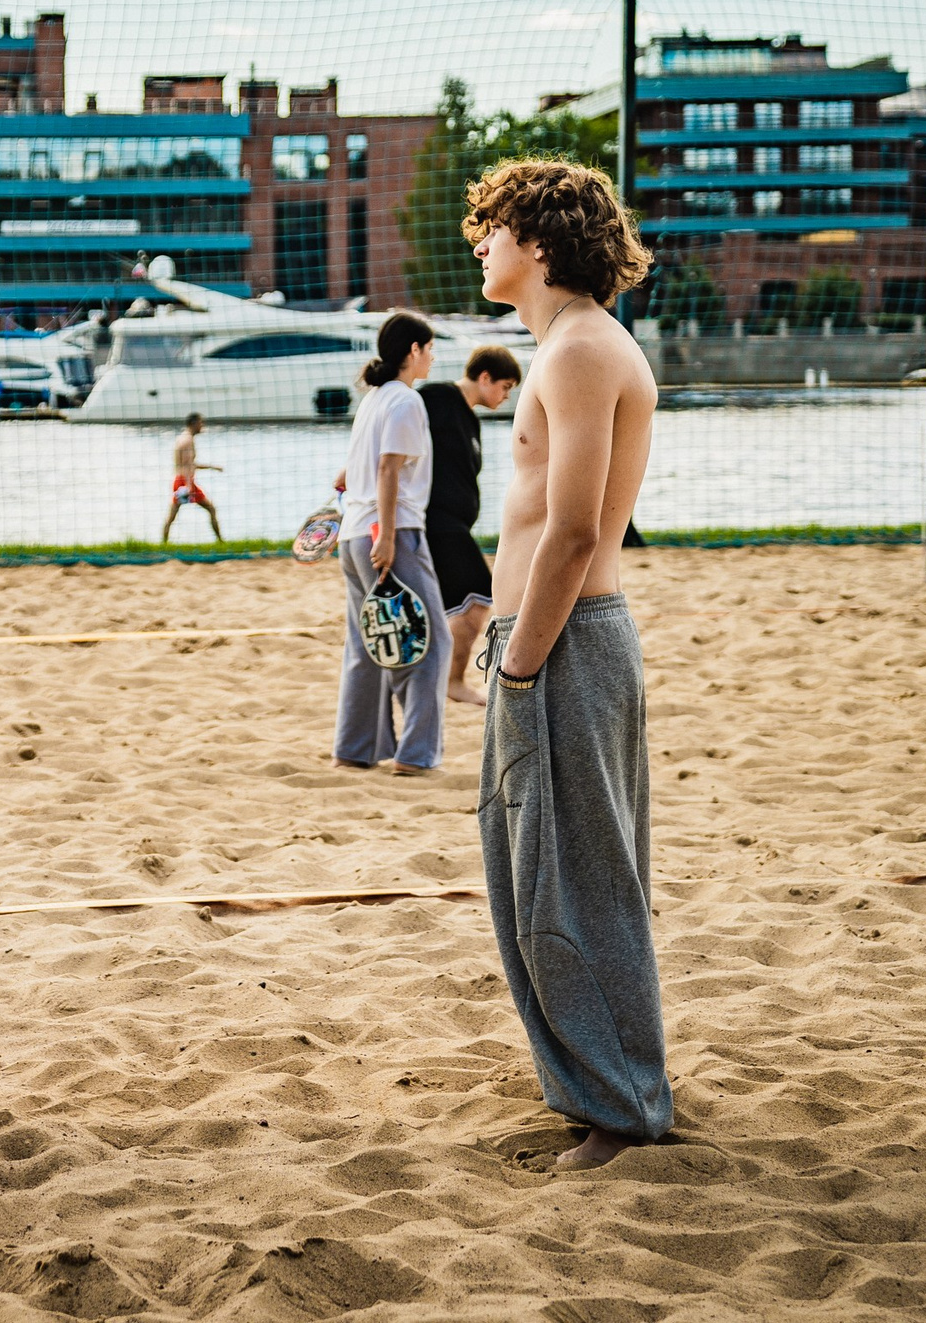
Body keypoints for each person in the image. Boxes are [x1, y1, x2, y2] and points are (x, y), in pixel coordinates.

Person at [462, 156, 667, 1172]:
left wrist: (518, 665)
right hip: (560, 639)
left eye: (494, 227)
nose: (479, 242)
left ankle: (620, 1113)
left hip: (563, 642)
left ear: (540, 242)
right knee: (555, 874)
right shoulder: (572, 346)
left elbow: (576, 530)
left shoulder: (582, 349)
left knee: (567, 885)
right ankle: (608, 1090)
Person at [331, 312, 452, 776]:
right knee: (430, 641)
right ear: (413, 351)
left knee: (366, 644)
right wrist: (386, 536)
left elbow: (349, 473)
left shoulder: (374, 399)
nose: (433, 356)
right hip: (390, 533)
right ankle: (416, 757)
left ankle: (354, 748)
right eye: (429, 347)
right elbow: (387, 468)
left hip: (353, 535)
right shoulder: (405, 399)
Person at [422, 345, 522, 705]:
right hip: (436, 523)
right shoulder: (438, 397)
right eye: (505, 386)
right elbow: (391, 431)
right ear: (485, 377)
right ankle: (452, 681)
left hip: (453, 526)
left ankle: (440, 679)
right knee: (477, 599)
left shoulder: (469, 417)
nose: (507, 396)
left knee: (452, 606)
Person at [162, 412, 223, 542]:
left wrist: (212, 467)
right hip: (185, 481)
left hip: (181, 480)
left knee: (172, 515)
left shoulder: (182, 438)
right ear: (194, 423)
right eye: (201, 423)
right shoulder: (188, 441)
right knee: (211, 509)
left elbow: (189, 464)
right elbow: (187, 465)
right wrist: (189, 485)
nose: (202, 426)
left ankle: (164, 543)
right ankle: (221, 541)